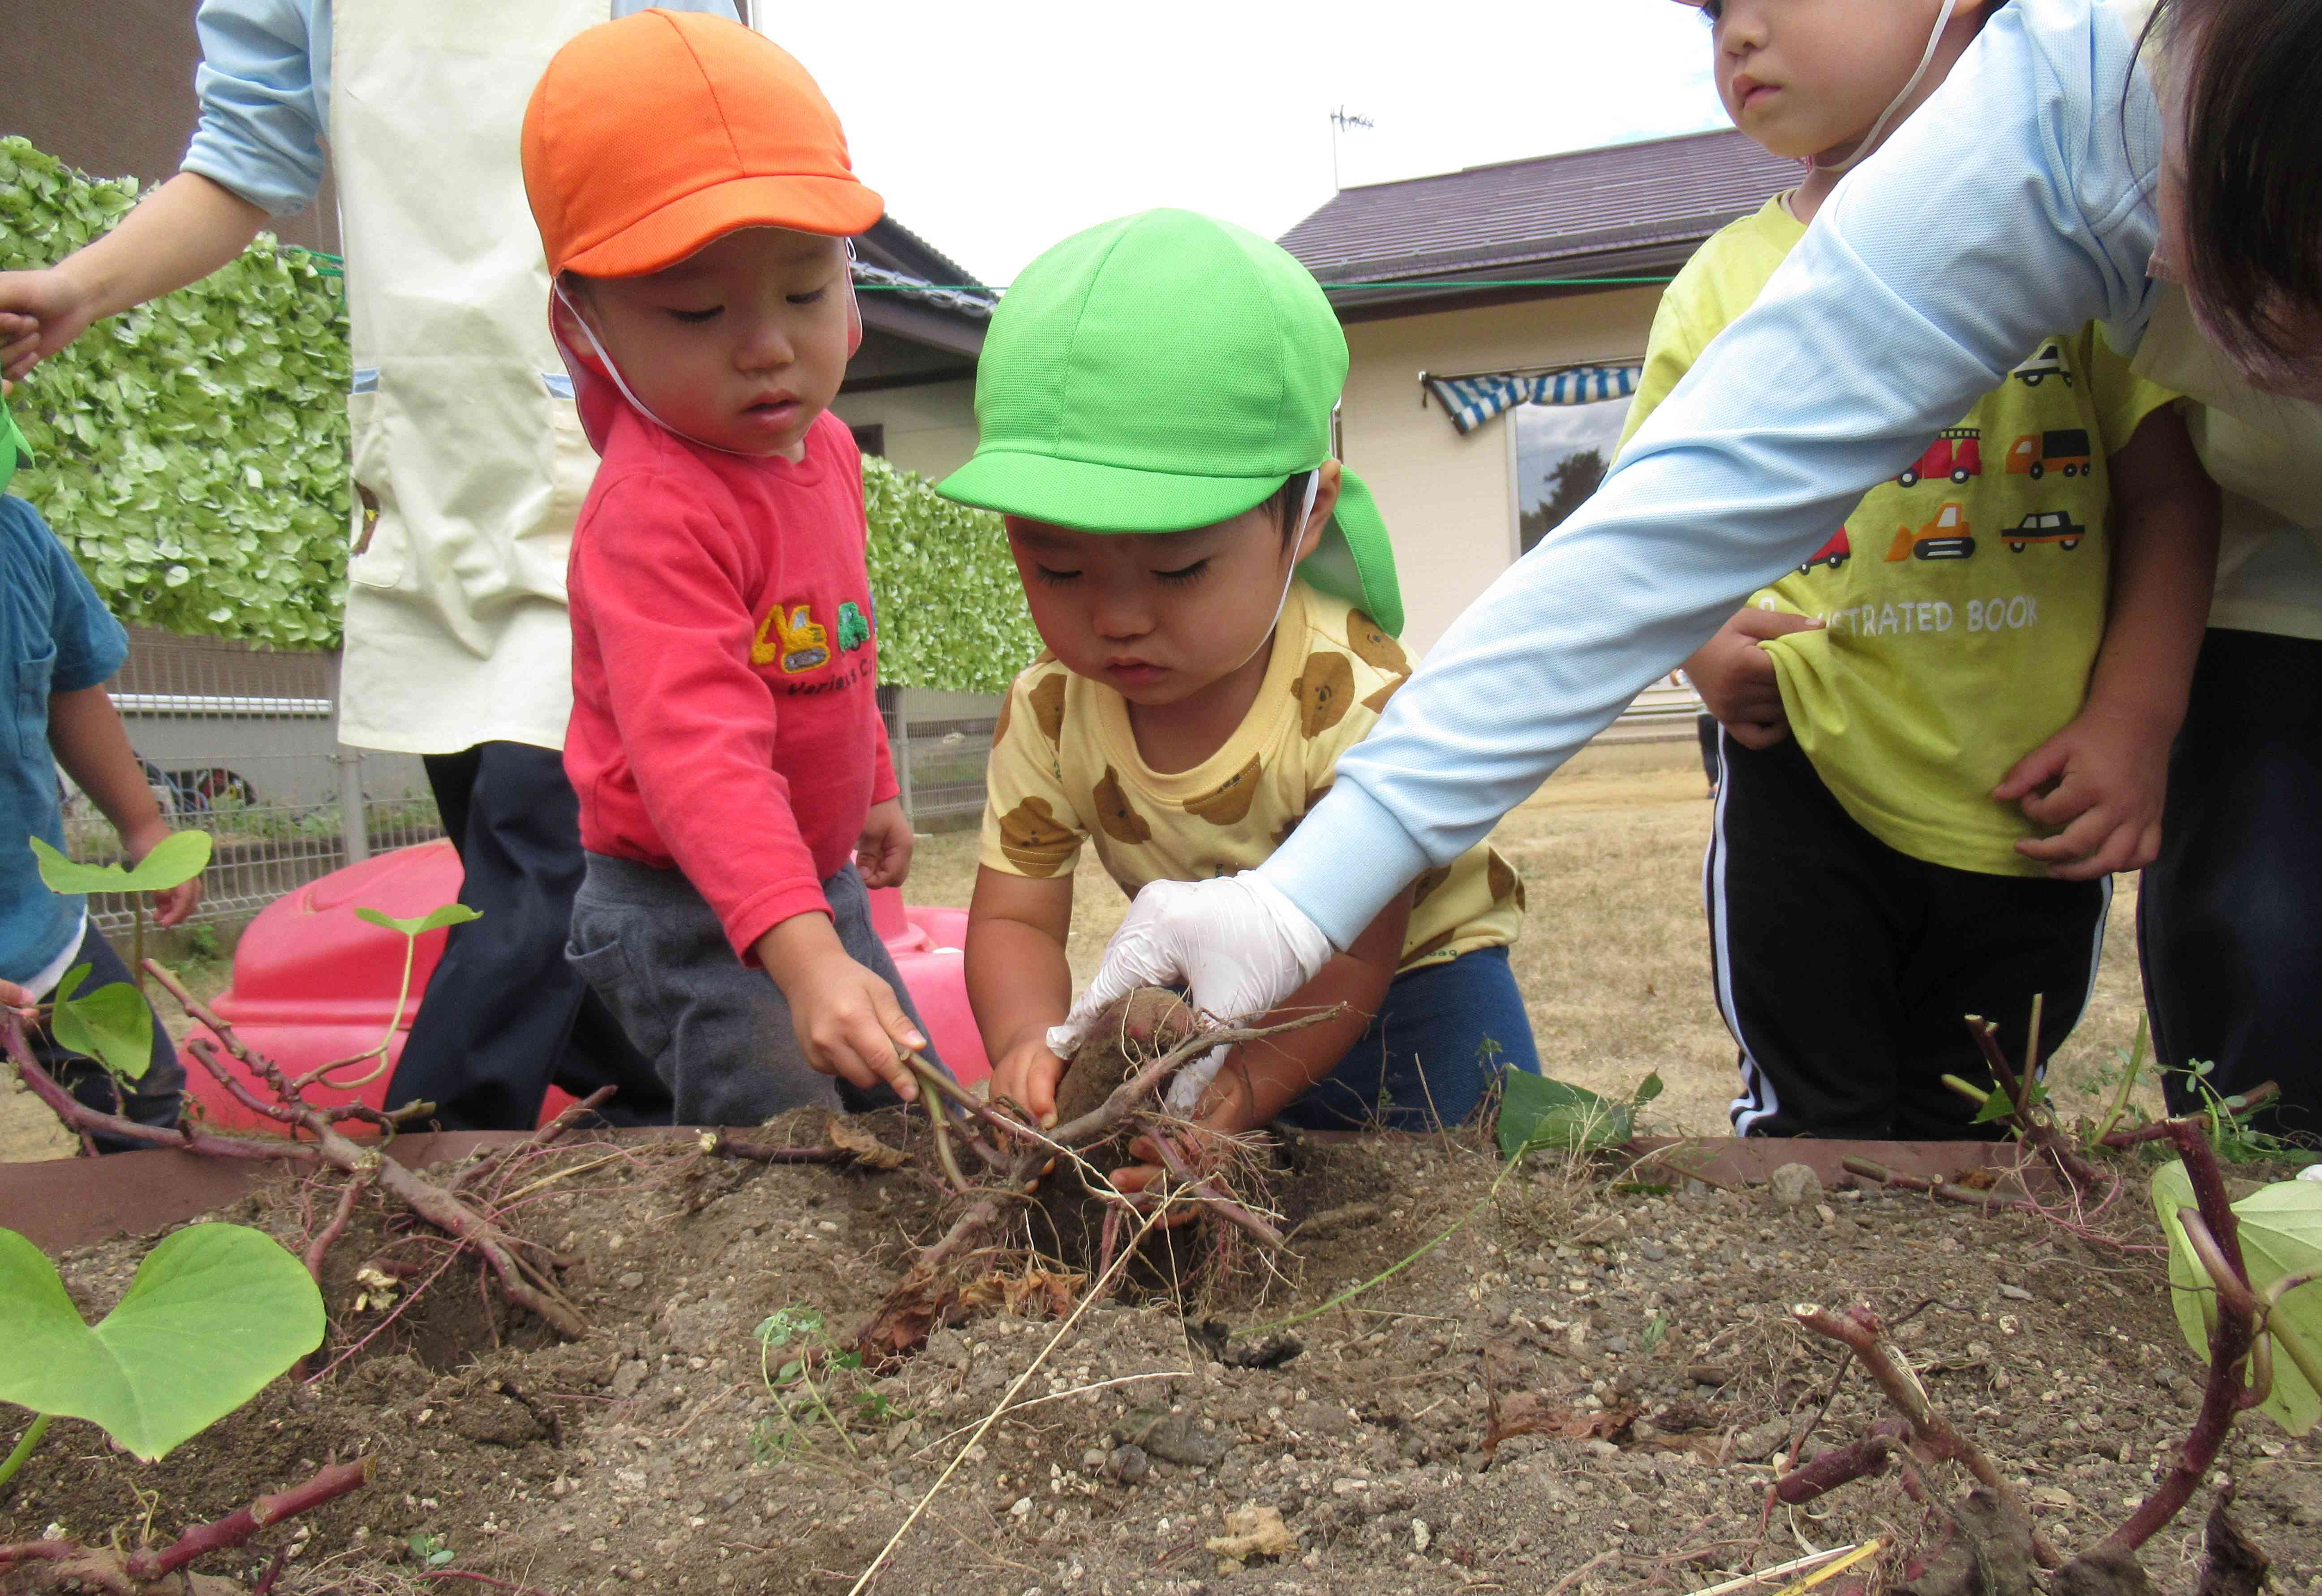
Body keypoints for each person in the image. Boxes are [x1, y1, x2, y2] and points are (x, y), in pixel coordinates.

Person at [1055, 0, 2322, 1137]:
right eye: (2174, 193)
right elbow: (1678, 519)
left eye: (2270, 257)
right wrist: (1295, 902)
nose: (2156, 261)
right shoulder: (2084, 110)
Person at [0, 0, 742, 1131]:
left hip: (622, 456)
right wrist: (80, 288)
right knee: (519, 868)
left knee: (541, 854)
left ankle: (420, 1188)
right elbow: (246, 160)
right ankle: (666, 1113)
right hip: (432, 464)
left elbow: (733, 164)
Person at [1630, 0, 2216, 1138]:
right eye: (1715, 17)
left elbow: (2171, 496)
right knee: (1819, 1125)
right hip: (1804, 761)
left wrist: (2137, 723)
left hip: (2028, 795)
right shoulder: (1722, 284)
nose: (1737, 38)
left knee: (1982, 1121)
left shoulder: (2070, 237)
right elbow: (1650, 524)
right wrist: (1700, 642)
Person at [944, 211, 1535, 1151]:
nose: (1116, 617)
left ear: (1306, 516)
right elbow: (1016, 911)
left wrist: (1239, 1096)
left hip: (1414, 990)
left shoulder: (1352, 700)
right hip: (1216, 996)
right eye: (1057, 570)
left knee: (1465, 1191)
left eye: (1179, 572)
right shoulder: (1053, 711)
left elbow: (1352, 955)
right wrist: (1026, 1044)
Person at [520, 12, 929, 1126]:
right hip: (679, 904)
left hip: (810, 878)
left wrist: (876, 783)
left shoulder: (831, 451)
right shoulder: (655, 510)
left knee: (909, 1099)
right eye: (699, 310)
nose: (766, 345)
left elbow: (838, 632)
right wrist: (802, 962)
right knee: (787, 1129)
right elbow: (696, 751)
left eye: (804, 293)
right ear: (583, 329)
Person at [0, 397, 202, 1144]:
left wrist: (144, 827)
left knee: (141, 1099)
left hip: (33, 920)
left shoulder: (17, 540)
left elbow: (71, 691)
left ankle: (152, 1249)